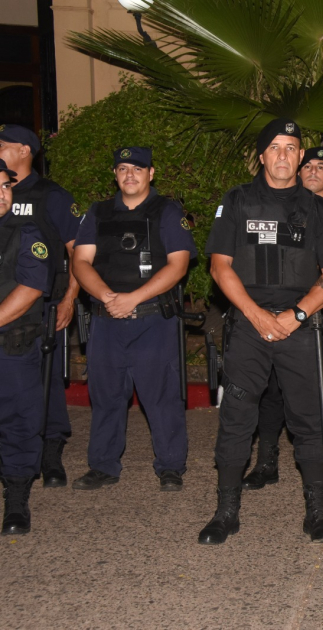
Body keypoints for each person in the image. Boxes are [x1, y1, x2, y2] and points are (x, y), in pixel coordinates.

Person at [200, 119, 323, 545]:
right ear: (262, 155)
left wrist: (295, 316)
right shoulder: (238, 201)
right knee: (236, 417)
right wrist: (256, 315)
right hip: (248, 325)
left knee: (308, 417)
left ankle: (316, 513)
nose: (283, 155)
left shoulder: (318, 210)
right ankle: (226, 512)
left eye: (291, 148)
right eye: (275, 148)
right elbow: (219, 266)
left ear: (301, 157)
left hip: (299, 326)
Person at [242, 146, 323, 493]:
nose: (314, 171)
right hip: (279, 313)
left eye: (322, 166)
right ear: (298, 170)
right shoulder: (275, 208)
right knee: (271, 390)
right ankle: (266, 462)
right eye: (308, 165)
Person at [71, 147, 196, 492]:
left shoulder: (167, 211)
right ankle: (103, 465)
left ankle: (171, 466)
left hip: (152, 320)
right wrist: (108, 298)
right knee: (106, 395)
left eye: (137, 169)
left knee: (161, 396)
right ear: (115, 174)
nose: (130, 175)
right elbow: (81, 262)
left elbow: (178, 264)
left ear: (150, 173)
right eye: (123, 168)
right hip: (106, 319)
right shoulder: (97, 213)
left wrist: (133, 298)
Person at [0, 124, 81, 488]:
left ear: (23, 150)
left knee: (44, 381)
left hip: (42, 303)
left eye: (2, 145)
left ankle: (51, 450)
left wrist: (70, 299)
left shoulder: (52, 196)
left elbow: (77, 251)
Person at [0, 158, 53, 535]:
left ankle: (16, 501)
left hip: (10, 346)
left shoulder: (25, 231)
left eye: (6, 186)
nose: (3, 194)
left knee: (18, 423)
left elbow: (32, 286)